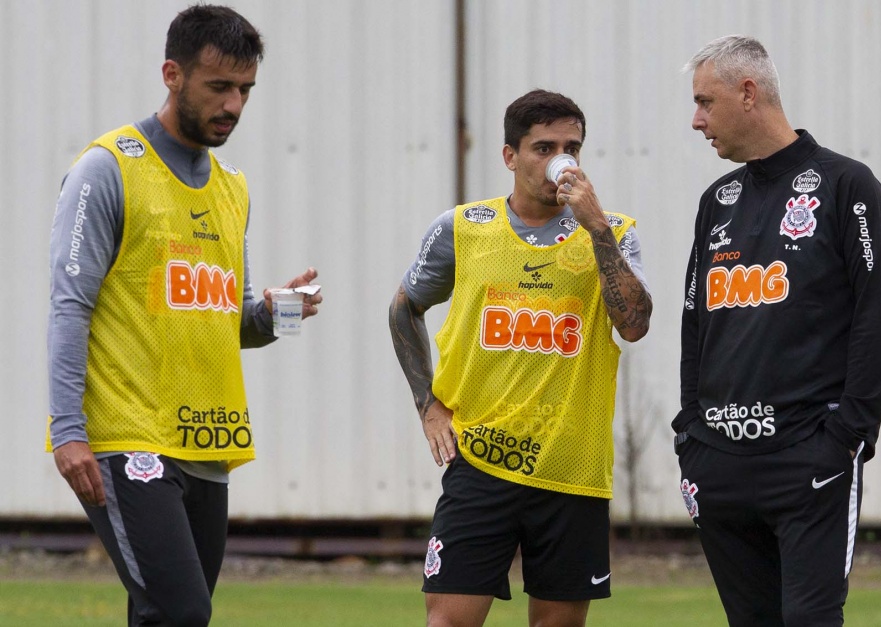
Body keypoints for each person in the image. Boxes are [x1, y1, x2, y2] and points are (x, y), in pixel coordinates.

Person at [46, 5, 322, 625]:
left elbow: (229, 319)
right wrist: (68, 430)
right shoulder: (108, 168)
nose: (234, 105)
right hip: (127, 437)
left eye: (245, 90)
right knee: (183, 615)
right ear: (172, 74)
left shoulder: (232, 187)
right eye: (218, 87)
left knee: (161, 617)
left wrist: (279, 313)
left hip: (209, 442)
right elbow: (70, 305)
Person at [389, 89, 652, 627]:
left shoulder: (614, 231)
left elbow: (635, 323)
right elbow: (402, 310)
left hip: (571, 471)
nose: (561, 159)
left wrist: (597, 226)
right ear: (510, 156)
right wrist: (429, 406)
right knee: (448, 621)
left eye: (572, 147)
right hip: (481, 463)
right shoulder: (462, 229)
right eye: (544, 147)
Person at [674, 35, 881, 626]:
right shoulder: (716, 201)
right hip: (718, 462)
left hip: (809, 458)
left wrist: (850, 433)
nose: (696, 121)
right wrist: (689, 435)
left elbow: (880, 317)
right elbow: (694, 323)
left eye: (705, 102)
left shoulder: (848, 187)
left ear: (748, 93)